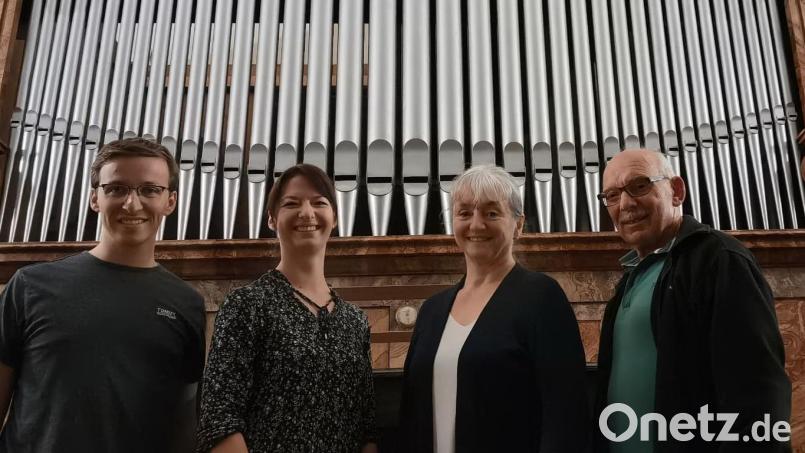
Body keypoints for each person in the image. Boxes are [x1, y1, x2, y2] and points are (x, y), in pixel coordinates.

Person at [0, 137, 206, 452]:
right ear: (95, 198)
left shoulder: (186, 304)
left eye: (149, 189)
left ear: (171, 202)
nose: (131, 204)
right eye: (116, 188)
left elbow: (182, 423)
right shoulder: (30, 286)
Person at [595, 149, 791, 452]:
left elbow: (758, 390)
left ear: (676, 191)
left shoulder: (719, 259)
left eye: (640, 186)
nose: (626, 204)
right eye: (611, 195)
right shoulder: (629, 280)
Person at [399, 164, 590, 453]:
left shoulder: (541, 297)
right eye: (464, 213)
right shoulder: (432, 310)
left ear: (518, 224)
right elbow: (411, 414)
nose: (476, 225)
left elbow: (565, 413)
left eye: (491, 213)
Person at [197, 164, 376, 453]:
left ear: (335, 217)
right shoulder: (247, 304)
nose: (307, 213)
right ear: (271, 219)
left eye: (319, 202)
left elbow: (366, 428)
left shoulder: (354, 321)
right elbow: (220, 419)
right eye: (291, 204)